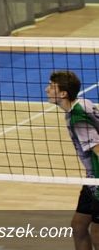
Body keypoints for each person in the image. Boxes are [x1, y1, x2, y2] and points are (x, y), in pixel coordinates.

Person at [46, 70, 99, 250]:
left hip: (98, 179)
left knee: (97, 233)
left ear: (63, 94)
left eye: (51, 87)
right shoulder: (83, 103)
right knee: (78, 226)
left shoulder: (77, 119)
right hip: (92, 179)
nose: (46, 90)